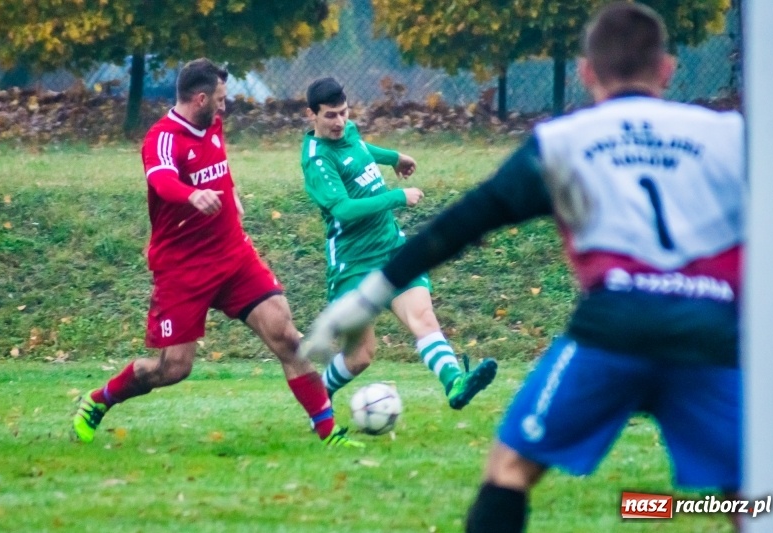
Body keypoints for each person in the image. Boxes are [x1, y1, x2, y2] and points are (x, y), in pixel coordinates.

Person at [300, 3, 744, 531]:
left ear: (586, 73)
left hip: (612, 329)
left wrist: (372, 294)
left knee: (510, 470)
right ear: (668, 70)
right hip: (710, 331)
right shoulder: (730, 135)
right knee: (751, 494)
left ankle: (645, 506)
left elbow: (464, 222)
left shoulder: (563, 140)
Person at [72, 58, 362, 449]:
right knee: (173, 368)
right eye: (221, 99)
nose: (225, 106)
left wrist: (232, 193)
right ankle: (99, 400)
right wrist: (192, 195)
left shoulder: (213, 125)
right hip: (183, 269)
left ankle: (329, 433)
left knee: (286, 337)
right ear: (200, 98)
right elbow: (162, 181)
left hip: (233, 255)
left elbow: (218, 164)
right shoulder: (162, 137)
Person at [300, 77, 498, 410]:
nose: (339, 122)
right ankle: (319, 397)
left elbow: (361, 149)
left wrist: (393, 158)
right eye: (330, 115)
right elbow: (344, 210)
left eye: (343, 113)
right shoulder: (317, 160)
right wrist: (397, 197)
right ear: (311, 115)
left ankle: (455, 382)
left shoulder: (347, 131)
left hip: (392, 249)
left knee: (423, 316)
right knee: (361, 356)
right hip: (353, 264)